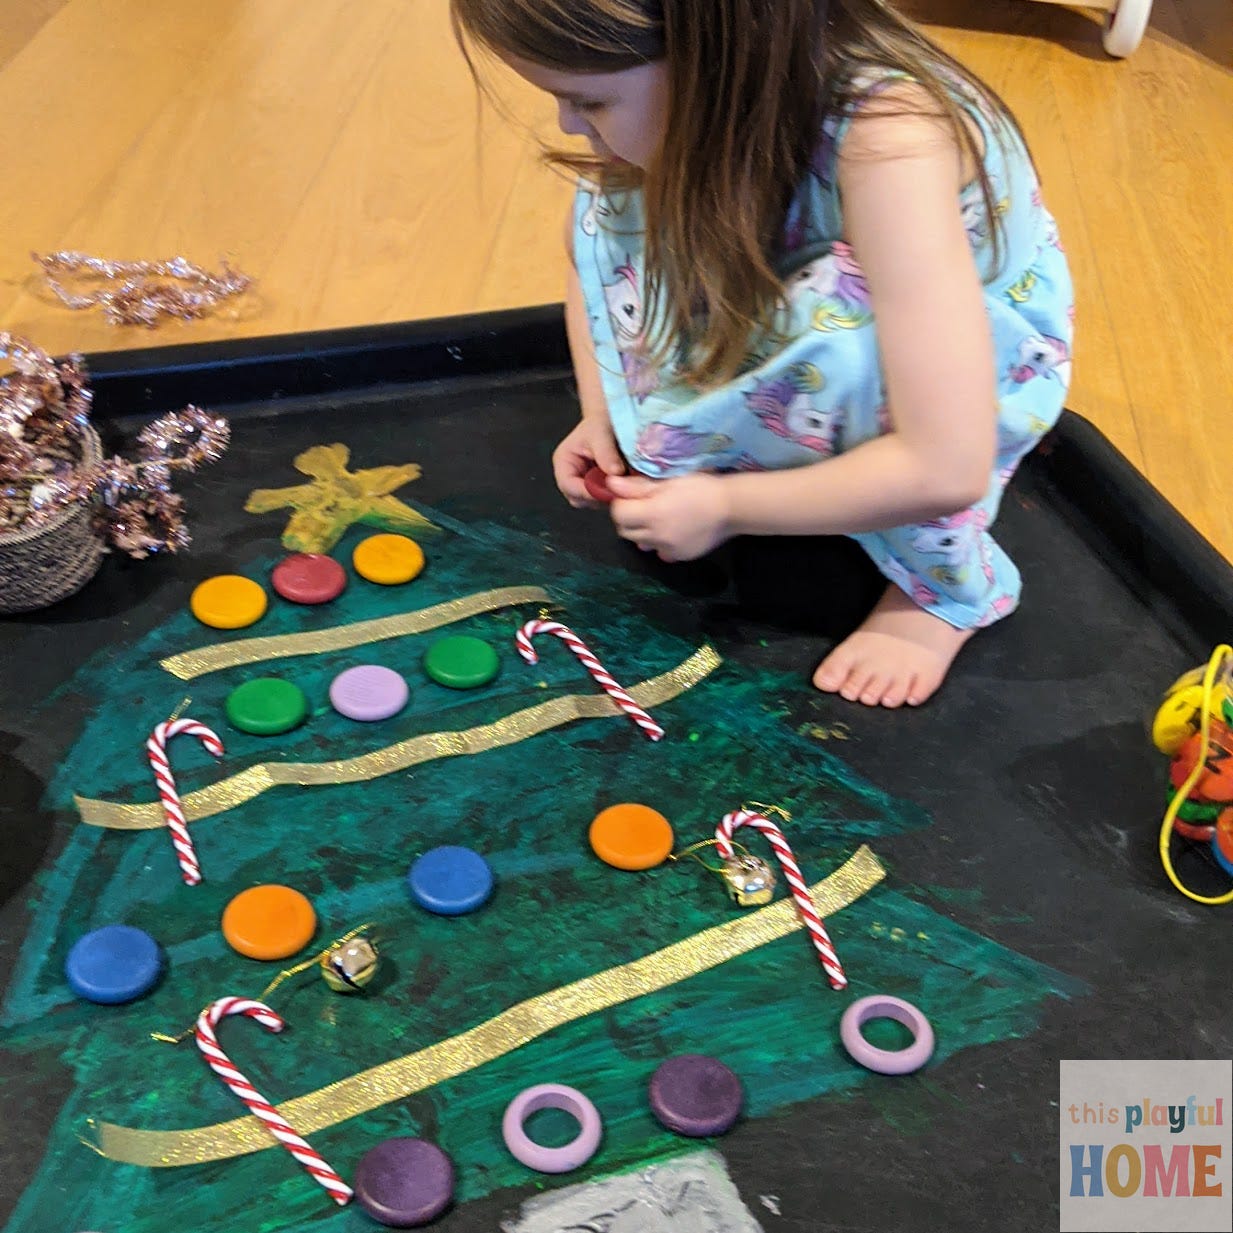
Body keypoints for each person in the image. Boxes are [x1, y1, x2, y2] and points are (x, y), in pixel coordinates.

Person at [450, 0, 1073, 707]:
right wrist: (604, 411)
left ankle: (945, 595)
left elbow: (948, 460)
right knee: (612, 192)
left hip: (956, 375)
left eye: (587, 100)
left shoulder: (891, 142)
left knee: (852, 359)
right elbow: (596, 255)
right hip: (806, 287)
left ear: (717, 56)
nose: (568, 123)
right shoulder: (718, 99)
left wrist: (723, 505)